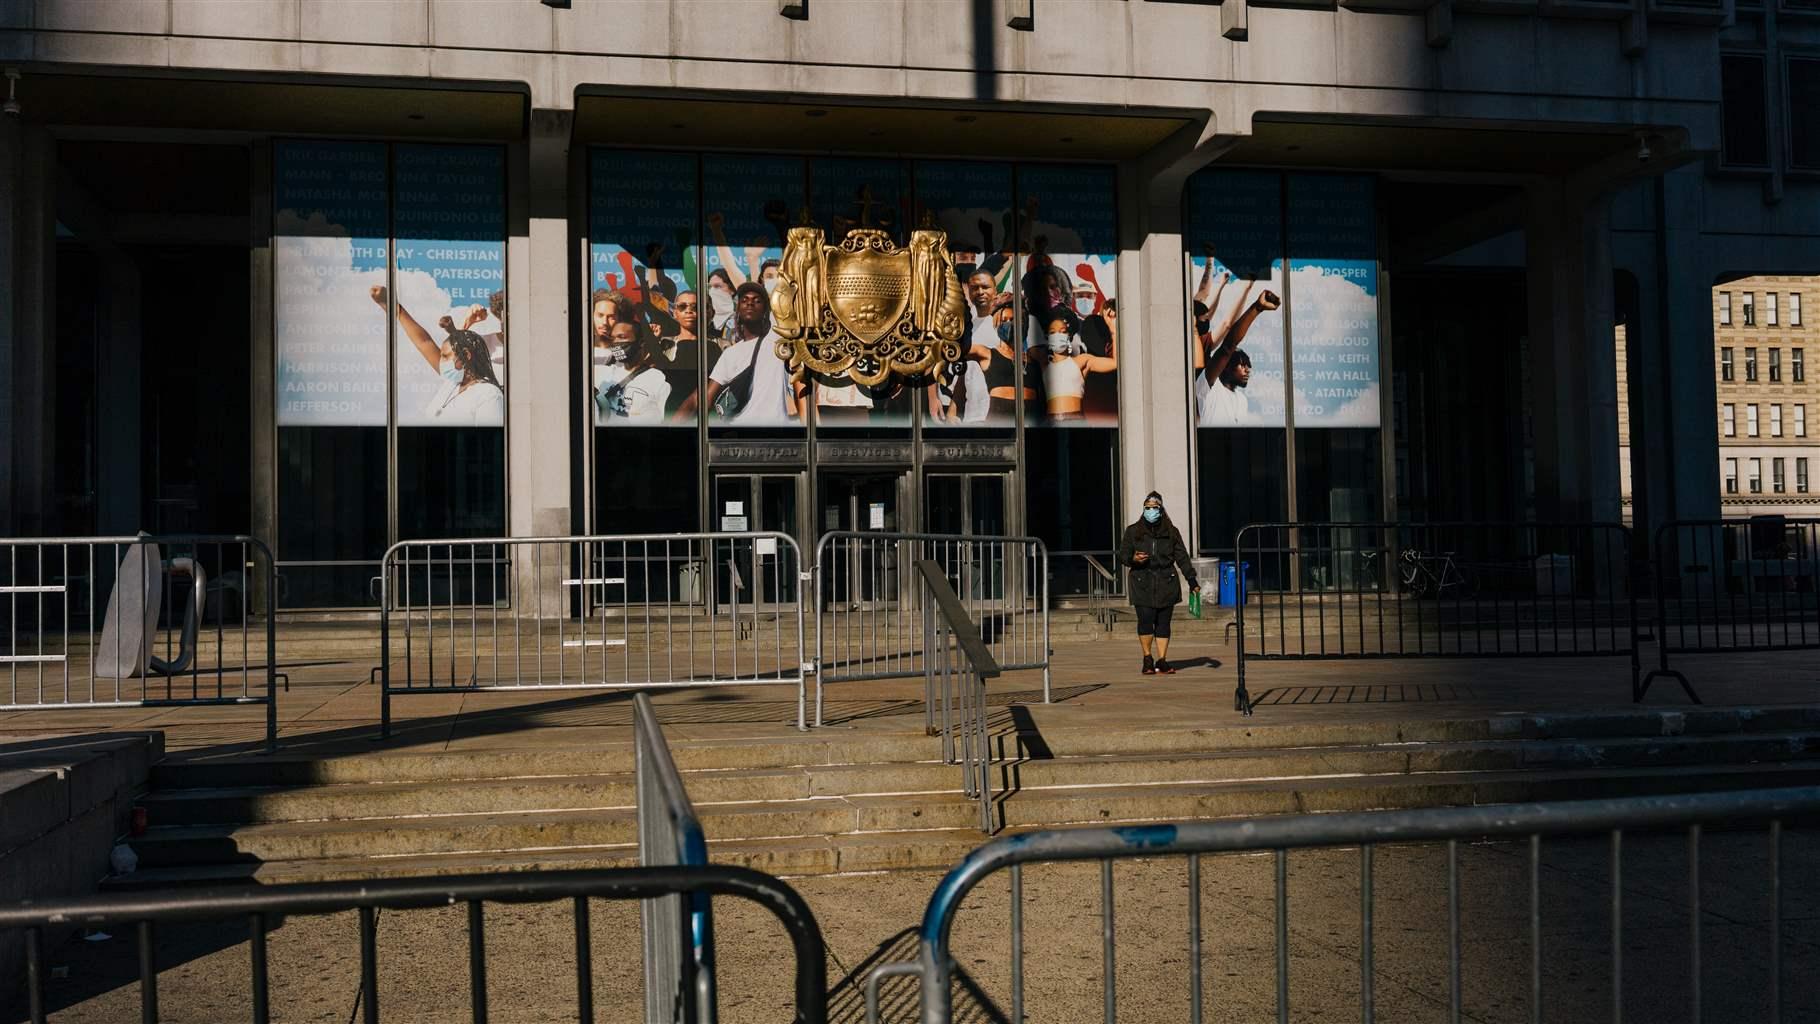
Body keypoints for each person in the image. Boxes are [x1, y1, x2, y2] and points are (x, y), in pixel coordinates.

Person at [371, 285, 505, 424]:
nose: (442, 362)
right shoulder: (453, 383)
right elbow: (425, 343)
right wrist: (392, 306)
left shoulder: (488, 394)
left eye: (445, 357)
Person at [674, 282, 802, 425]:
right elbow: (704, 398)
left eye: (757, 301)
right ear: (738, 309)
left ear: (766, 310)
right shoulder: (730, 354)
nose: (750, 303)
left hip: (776, 432)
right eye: (744, 300)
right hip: (740, 432)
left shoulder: (775, 339)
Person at [1117, 492, 1199, 676]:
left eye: (1154, 508)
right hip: (1142, 581)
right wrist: (1134, 559)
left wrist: (1192, 580)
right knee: (1145, 620)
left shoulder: (1171, 532)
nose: (1151, 511)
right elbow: (1123, 555)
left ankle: (1162, 659)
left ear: (1161, 510)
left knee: (1163, 623)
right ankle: (1147, 658)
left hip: (1166, 581)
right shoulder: (1133, 531)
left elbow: (1182, 557)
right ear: (1143, 509)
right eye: (1147, 508)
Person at [594, 320, 671, 423]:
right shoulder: (601, 373)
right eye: (613, 338)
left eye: (622, 337)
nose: (615, 342)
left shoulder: (657, 380)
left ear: (641, 343)